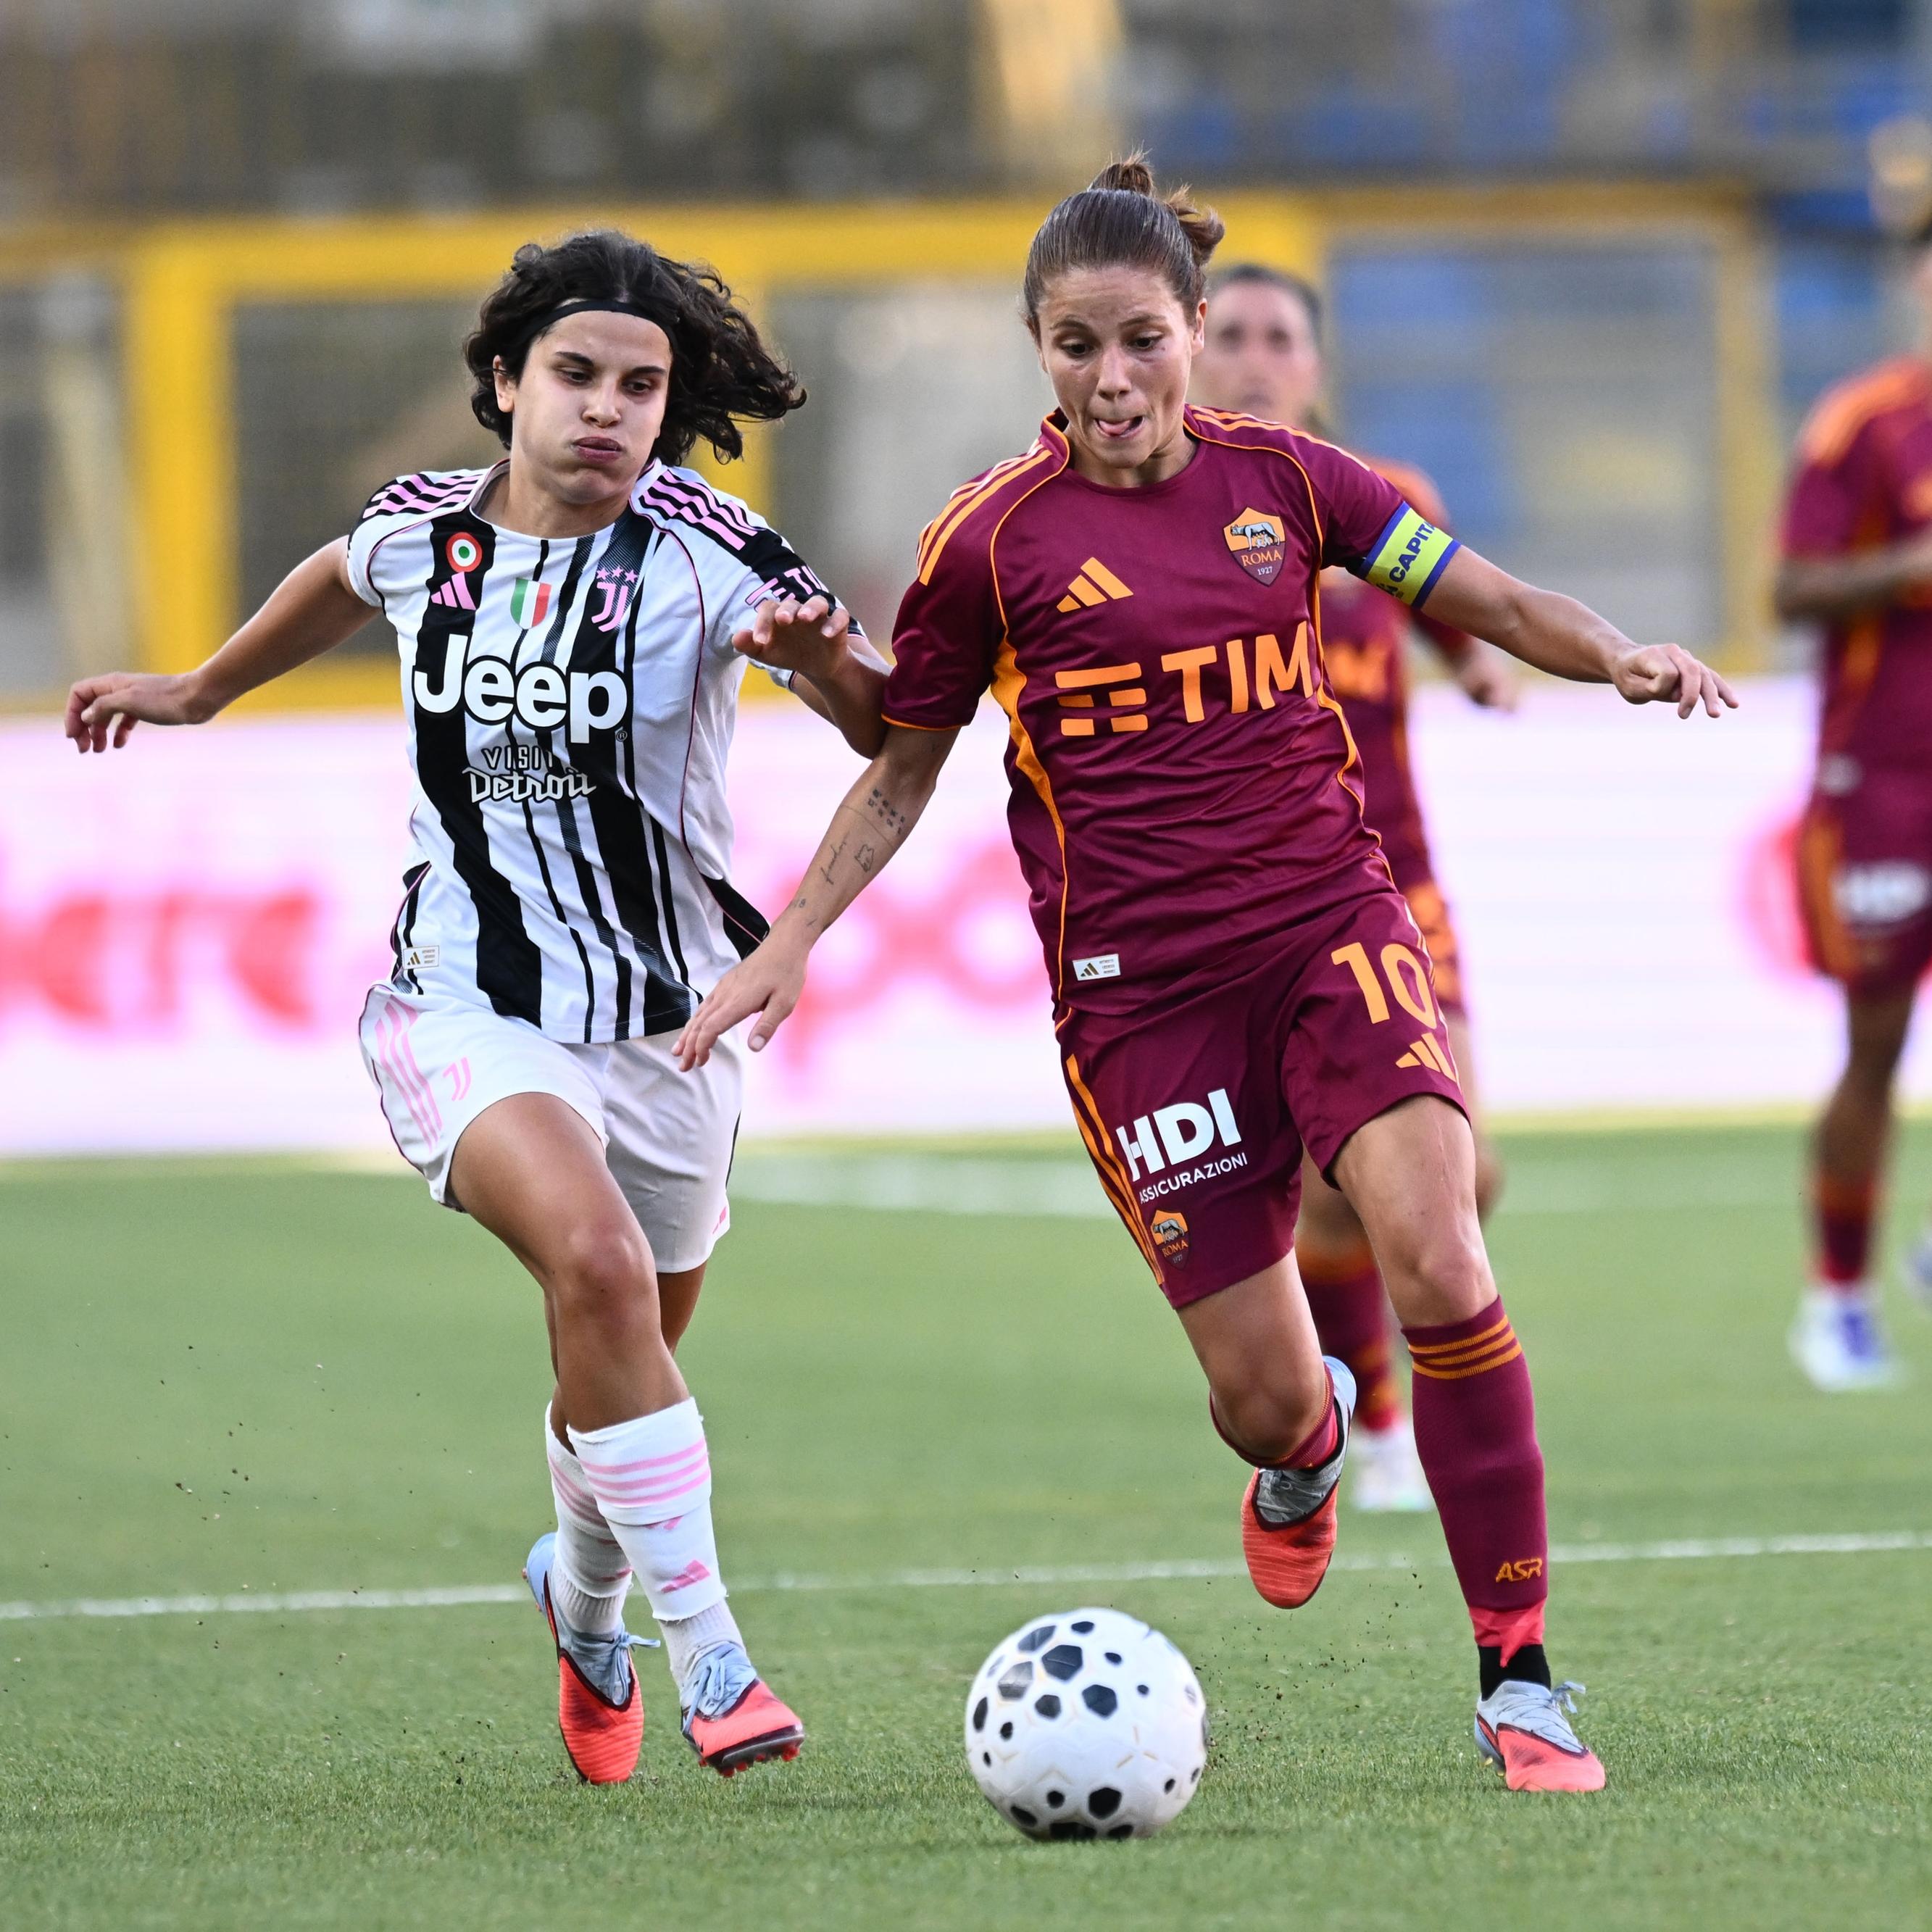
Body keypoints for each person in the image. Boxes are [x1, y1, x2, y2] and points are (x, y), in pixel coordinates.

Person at [678, 158, 1737, 1794]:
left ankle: (1519, 1675)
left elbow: (1484, 593)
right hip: (1139, 1003)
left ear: (1190, 336)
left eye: (1143, 341)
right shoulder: (985, 544)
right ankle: (1306, 1446)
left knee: (1442, 1253)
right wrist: (793, 932)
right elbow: (903, 761)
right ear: (1037, 346)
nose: (1114, 381)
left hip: (1331, 926)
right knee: (1259, 1404)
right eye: (1077, 345)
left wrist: (1614, 655)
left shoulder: (1290, 481)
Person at [64, 229, 890, 1786]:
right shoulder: (421, 535)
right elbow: (335, 574)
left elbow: (881, 719)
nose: (608, 410)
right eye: (576, 374)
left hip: (669, 1029)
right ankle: (712, 1653)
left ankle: (581, 1605)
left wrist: (821, 666)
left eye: (641, 386)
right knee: (589, 1259)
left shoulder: (715, 553)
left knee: (622, 1350)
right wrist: (202, 688)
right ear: (505, 383)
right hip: (464, 1004)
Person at [1191, 264, 1519, 1511]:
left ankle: (1371, 1389)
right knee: (1335, 1186)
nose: (1255, 358)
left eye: (1280, 337)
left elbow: (1444, 605)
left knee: (1467, 1171)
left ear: (1315, 366)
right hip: (1262, 904)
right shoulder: (1176, 521)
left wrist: (1475, 667)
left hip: (1397, 883)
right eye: (1230, 335)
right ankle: (1372, 1411)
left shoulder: (1384, 502)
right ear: (1190, 349)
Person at [1778, 243, 1932, 1390]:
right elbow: (1791, 588)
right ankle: (1836, 1298)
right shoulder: (1862, 424)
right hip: (1880, 776)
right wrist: (1909, 566)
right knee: (1874, 1042)